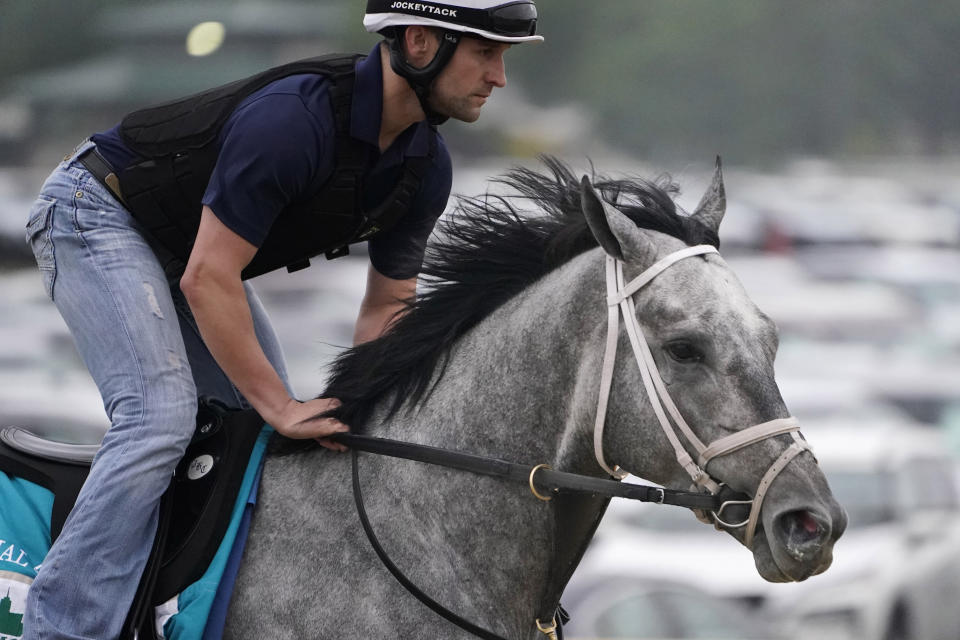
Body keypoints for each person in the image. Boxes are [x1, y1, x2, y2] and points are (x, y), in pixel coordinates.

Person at [21, 1, 541, 637]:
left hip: (187, 250)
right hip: (95, 211)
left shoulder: (425, 166)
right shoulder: (293, 121)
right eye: (486, 53)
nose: (499, 78)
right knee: (159, 419)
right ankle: (62, 626)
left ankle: (166, 606)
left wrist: (362, 409)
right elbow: (210, 278)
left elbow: (386, 305)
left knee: (249, 427)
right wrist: (282, 404)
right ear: (421, 41)